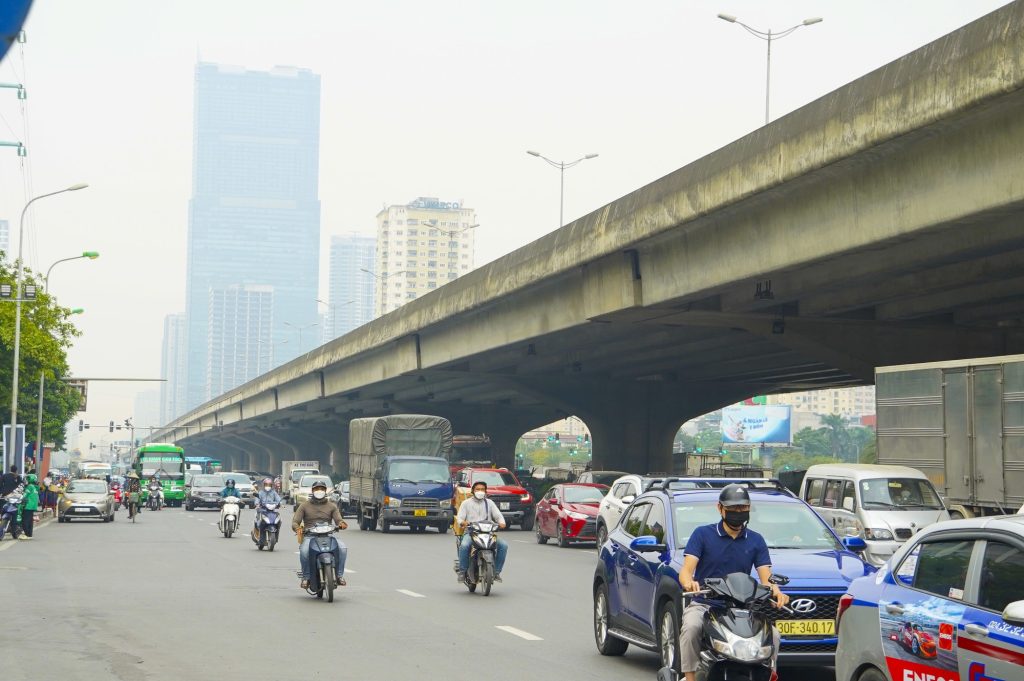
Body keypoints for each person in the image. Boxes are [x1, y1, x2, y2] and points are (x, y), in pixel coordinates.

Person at [673, 484, 790, 681]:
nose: (738, 512)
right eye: (733, 508)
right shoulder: (702, 534)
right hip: (706, 604)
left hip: (742, 609)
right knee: (691, 628)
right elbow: (686, 569)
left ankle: (768, 676)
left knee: (774, 635)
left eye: (743, 508)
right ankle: (690, 677)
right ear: (720, 508)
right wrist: (689, 583)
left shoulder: (756, 540)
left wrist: (776, 592)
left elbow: (766, 578)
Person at [291, 479, 347, 589]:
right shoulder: (304, 505)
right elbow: (295, 522)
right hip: (310, 536)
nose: (319, 491)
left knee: (343, 548)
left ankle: (339, 576)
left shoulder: (332, 506)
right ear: (313, 491)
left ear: (325, 491)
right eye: (317, 489)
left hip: (328, 535)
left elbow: (338, 520)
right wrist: (298, 528)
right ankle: (306, 578)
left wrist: (341, 523)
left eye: (322, 489)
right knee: (304, 551)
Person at [455, 480, 508, 582]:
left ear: (485, 491)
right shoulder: (466, 503)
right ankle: (462, 572)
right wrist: (463, 522)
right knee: (464, 546)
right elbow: (460, 518)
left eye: (482, 489)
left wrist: (502, 523)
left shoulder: (490, 503)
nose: (480, 491)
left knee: (503, 545)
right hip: (471, 533)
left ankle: (496, 572)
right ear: (473, 491)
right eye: (478, 489)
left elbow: (498, 516)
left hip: (488, 533)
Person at [254, 478, 282, 544]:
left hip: (271, 510)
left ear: (272, 485)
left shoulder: (274, 493)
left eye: (269, 485)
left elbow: (278, 499)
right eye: (266, 485)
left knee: (279, 521)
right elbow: (257, 499)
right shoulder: (260, 492)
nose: (268, 486)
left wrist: (280, 504)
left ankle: (276, 536)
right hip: (262, 510)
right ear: (264, 485)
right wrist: (257, 504)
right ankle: (260, 538)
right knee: (259, 523)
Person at [19, 473, 39, 540]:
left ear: (30, 480)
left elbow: (24, 495)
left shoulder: (29, 487)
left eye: (27, 479)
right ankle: (29, 534)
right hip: (33, 506)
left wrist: (20, 498)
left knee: (25, 520)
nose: (25, 480)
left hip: (28, 505)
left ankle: (26, 534)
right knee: (30, 521)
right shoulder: (35, 487)